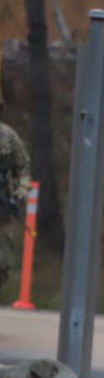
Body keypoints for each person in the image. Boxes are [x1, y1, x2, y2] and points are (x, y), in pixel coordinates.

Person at [0, 102, 31, 295]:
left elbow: (23, 167)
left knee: (2, 262)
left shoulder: (8, 137)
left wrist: (21, 191)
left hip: (1, 208)